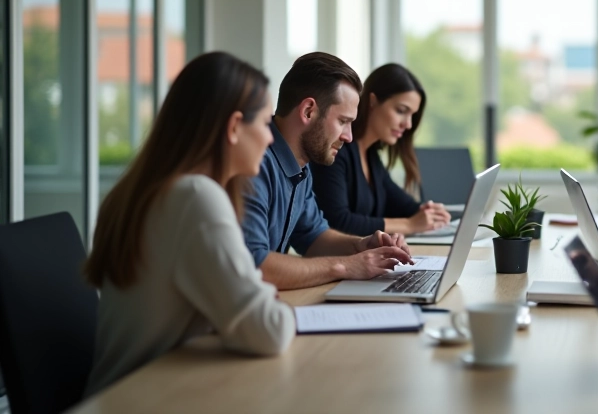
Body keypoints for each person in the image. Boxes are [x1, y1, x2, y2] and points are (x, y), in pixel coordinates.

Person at [84, 52, 295, 396]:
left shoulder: (149, 191)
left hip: (130, 395)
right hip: (147, 400)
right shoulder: (196, 198)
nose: (271, 138)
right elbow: (269, 331)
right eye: (264, 125)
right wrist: (264, 299)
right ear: (233, 127)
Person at [241, 52, 413, 291]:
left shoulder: (301, 165)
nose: (349, 136)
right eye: (343, 121)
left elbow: (313, 236)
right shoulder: (252, 163)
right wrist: (347, 266)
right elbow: (254, 265)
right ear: (308, 111)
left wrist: (363, 245)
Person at [310, 63, 450, 236]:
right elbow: (337, 221)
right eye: (401, 111)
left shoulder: (371, 157)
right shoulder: (336, 151)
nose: (408, 124)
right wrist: (409, 225)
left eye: (412, 115)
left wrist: (431, 212)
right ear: (373, 101)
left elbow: (405, 206)